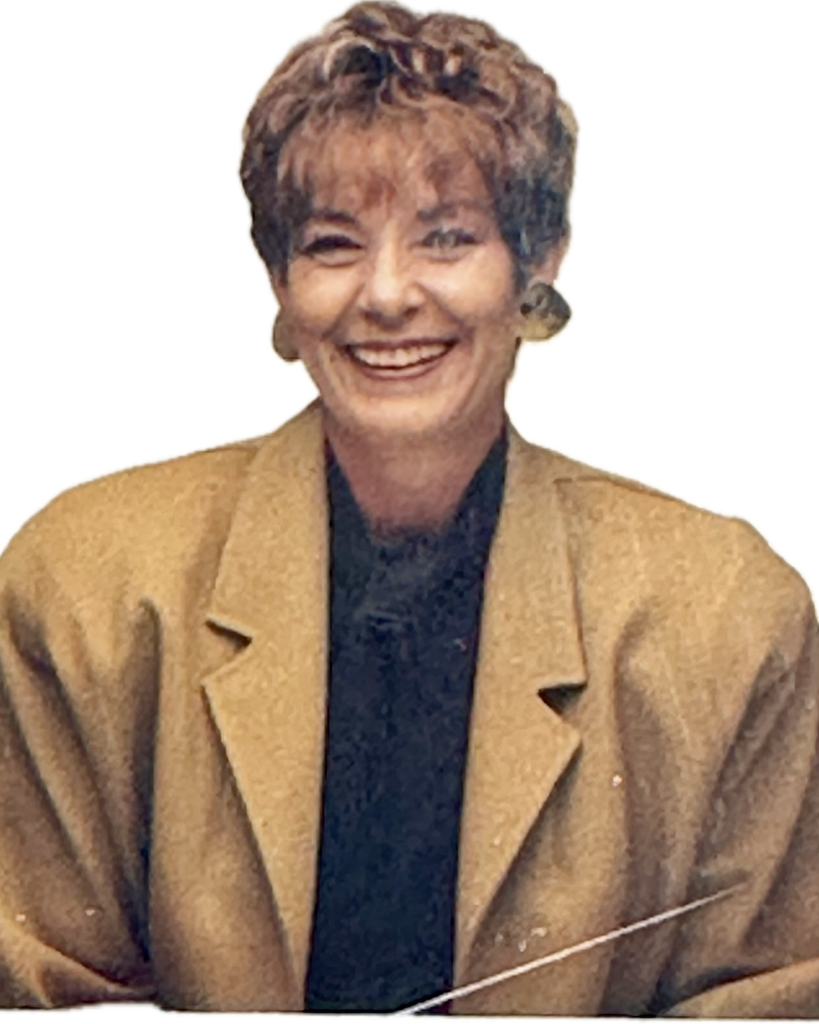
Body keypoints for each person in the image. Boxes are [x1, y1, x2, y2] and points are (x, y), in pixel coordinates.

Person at [1, 0, 817, 1015]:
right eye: (333, 244)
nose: (387, 295)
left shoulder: (727, 611)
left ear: (538, 265)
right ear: (277, 283)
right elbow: (34, 993)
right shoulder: (82, 582)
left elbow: (765, 1008)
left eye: (446, 237)